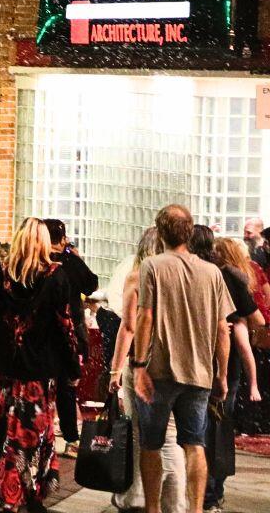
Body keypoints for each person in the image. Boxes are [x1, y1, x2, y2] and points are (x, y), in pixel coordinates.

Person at [0, 217, 80, 512]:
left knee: (1, 428)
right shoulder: (56, 277)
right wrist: (73, 368)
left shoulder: (1, 273)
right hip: (39, 369)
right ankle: (26, 493)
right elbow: (64, 326)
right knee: (32, 433)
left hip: (5, 365)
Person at [132, 205, 233, 513]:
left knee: (151, 443)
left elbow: (145, 316)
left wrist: (138, 366)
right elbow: (222, 330)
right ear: (189, 232)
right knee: (195, 444)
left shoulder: (153, 266)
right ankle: (197, 509)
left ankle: (152, 508)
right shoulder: (212, 272)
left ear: (160, 231)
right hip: (199, 372)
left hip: (159, 371)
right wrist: (222, 375)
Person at [109, 227, 187, 513]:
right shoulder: (182, 277)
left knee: (140, 434)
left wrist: (114, 370)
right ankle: (175, 500)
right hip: (177, 365)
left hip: (143, 364)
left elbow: (128, 327)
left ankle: (136, 496)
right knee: (172, 437)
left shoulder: (138, 276)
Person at [195, 230, 263, 512]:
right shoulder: (228, 277)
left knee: (193, 433)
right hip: (225, 366)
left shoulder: (190, 274)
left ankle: (194, 494)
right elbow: (257, 319)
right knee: (217, 430)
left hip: (193, 363)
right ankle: (211, 494)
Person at [44, 219, 98, 458]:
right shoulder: (69, 262)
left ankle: (38, 433)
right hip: (69, 331)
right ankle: (71, 439)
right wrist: (75, 257)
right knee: (66, 387)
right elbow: (91, 284)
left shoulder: (37, 261)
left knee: (40, 384)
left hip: (42, 331)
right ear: (63, 239)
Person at [234, 237, 270, 436]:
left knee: (242, 373)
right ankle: (256, 420)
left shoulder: (234, 273)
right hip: (259, 323)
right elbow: (267, 294)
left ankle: (244, 421)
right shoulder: (255, 268)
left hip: (247, 321)